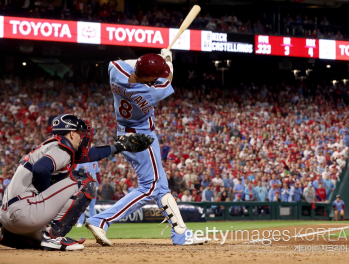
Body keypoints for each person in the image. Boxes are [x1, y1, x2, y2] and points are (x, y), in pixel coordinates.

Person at [85, 53, 207, 246]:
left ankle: (181, 233)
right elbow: (168, 78)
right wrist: (167, 60)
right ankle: (101, 219)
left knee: (161, 186)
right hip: (142, 139)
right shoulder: (151, 92)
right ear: (149, 78)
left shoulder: (115, 72)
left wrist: (152, 60)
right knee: (150, 188)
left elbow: (121, 63)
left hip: (124, 133)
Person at [0, 114, 147, 251]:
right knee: (85, 181)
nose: (81, 138)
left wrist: (119, 147)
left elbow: (91, 154)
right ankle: (53, 238)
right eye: (79, 133)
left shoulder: (51, 147)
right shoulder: (61, 148)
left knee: (66, 180)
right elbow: (40, 168)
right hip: (24, 214)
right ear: (71, 134)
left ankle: (15, 236)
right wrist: (46, 194)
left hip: (9, 221)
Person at [76, 161, 101, 227]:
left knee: (92, 205)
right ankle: (80, 221)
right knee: (82, 204)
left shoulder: (95, 161)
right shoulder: (81, 162)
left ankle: (91, 222)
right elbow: (77, 173)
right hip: (84, 185)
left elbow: (97, 173)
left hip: (93, 185)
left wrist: (100, 183)